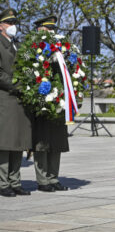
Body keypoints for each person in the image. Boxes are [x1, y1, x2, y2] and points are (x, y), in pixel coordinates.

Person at [31, 15, 70, 192]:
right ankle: (43, 179)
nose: (52, 32)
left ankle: (54, 178)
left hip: (59, 98)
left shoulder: (61, 48)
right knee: (42, 141)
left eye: (53, 29)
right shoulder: (32, 48)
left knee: (57, 140)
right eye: (48, 28)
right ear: (39, 29)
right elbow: (29, 71)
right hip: (42, 99)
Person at [0, 8, 32, 197]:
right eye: (10, 23)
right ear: (1, 25)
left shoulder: (19, 45)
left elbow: (29, 67)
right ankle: (3, 182)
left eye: (15, 24)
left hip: (21, 102)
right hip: (6, 99)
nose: (14, 27)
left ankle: (15, 180)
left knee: (18, 143)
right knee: (5, 143)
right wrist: (18, 85)